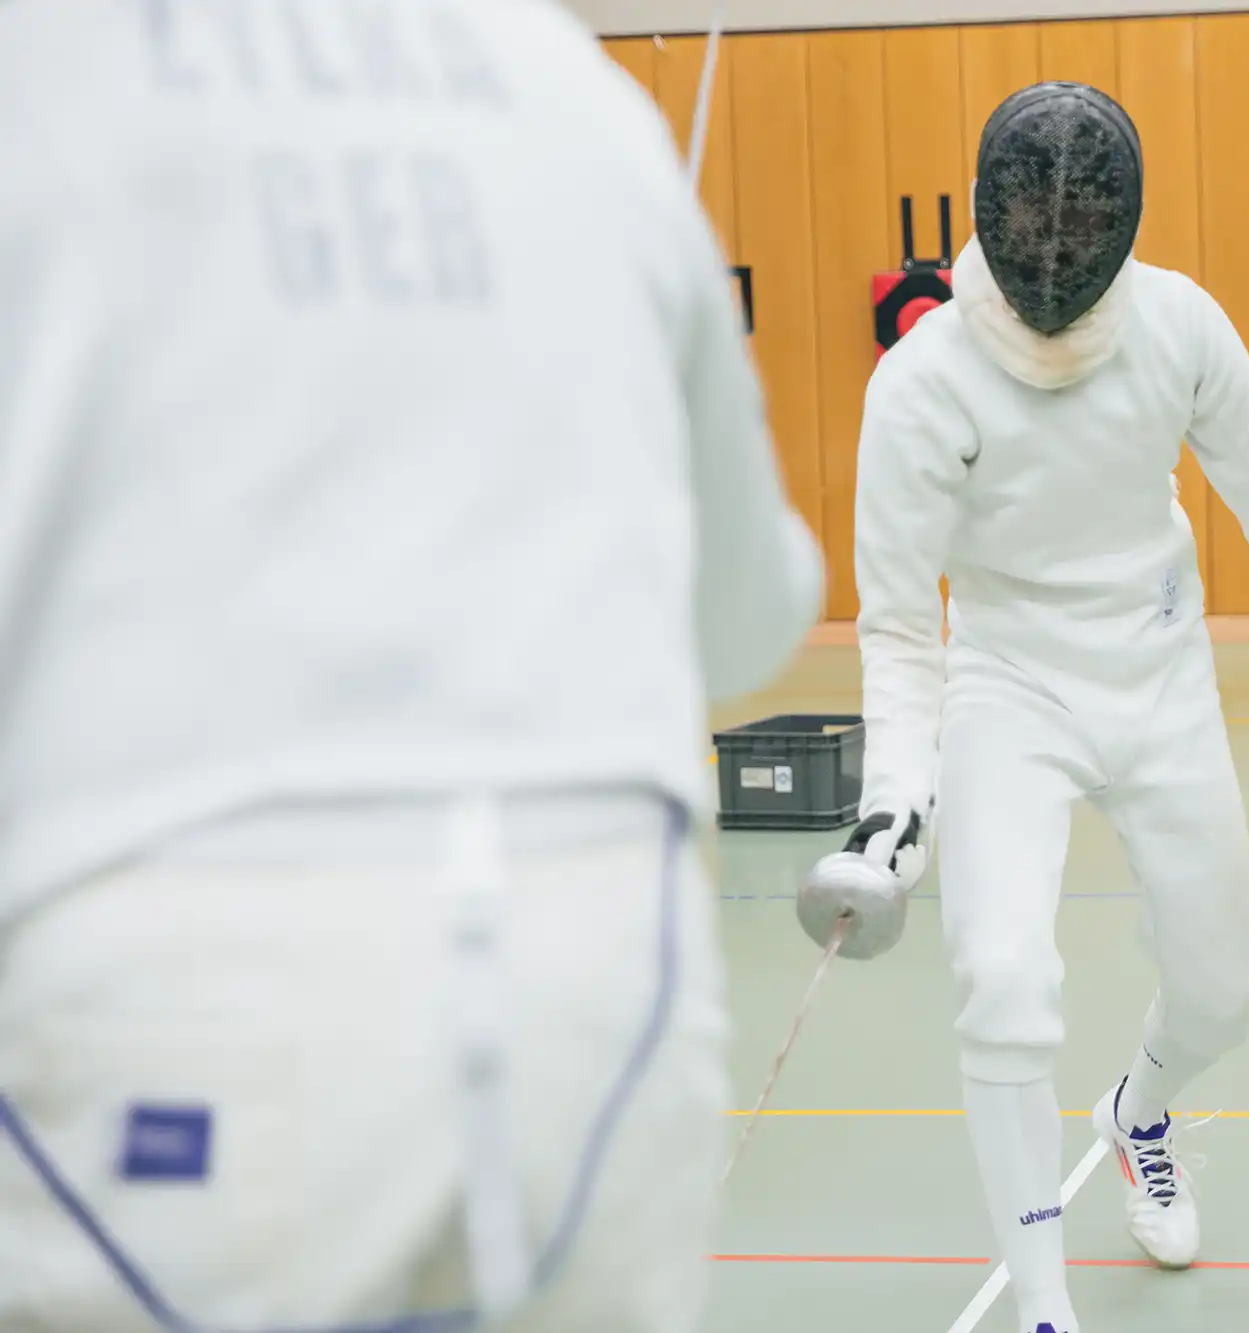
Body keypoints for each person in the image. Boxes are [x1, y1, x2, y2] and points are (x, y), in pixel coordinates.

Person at [0, 3, 820, 1331]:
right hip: (603, 994)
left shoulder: (42, 62)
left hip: (172, 973)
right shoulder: (578, 90)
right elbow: (743, 616)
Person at [841, 82, 1249, 1333]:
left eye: (1078, 222)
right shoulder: (920, 382)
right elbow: (894, 627)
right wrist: (889, 802)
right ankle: (1041, 1305)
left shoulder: (1179, 325)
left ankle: (1139, 1110)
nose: (1050, 248)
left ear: (1119, 223)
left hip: (1156, 670)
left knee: (1217, 997)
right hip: (1005, 685)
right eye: (1033, 216)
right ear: (993, 208)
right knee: (1002, 976)